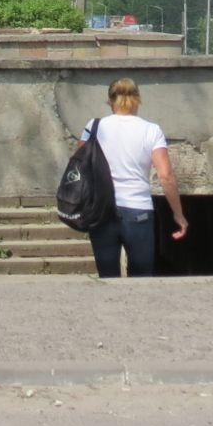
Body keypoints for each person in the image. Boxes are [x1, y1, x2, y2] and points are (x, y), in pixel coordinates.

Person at [81, 76, 188, 278]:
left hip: (103, 212)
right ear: (138, 99)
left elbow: (81, 167)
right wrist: (178, 214)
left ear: (110, 101)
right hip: (139, 212)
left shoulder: (94, 127)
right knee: (141, 281)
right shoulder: (151, 130)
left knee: (107, 279)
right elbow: (166, 176)